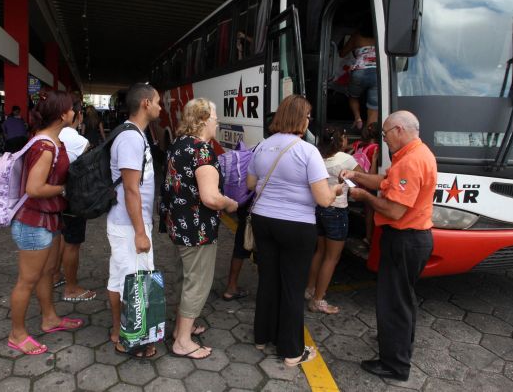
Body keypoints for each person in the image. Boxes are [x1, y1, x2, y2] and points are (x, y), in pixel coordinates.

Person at [247, 95, 343, 367]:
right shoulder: (307, 151)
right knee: (291, 286)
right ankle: (291, 351)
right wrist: (336, 189)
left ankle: (261, 336)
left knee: (268, 280)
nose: (309, 121)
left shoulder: (263, 146)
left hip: (263, 220)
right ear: (301, 119)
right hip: (296, 225)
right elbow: (323, 198)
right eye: (308, 116)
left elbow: (252, 183)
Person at [341, 111, 436, 381]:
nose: (384, 140)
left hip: (405, 239)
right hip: (414, 238)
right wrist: (358, 177)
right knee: (402, 299)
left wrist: (363, 197)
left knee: (393, 302)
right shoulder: (416, 153)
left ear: (399, 129)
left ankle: (394, 365)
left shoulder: (411, 161)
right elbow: (385, 182)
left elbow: (394, 210)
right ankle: (399, 345)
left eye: (385, 134)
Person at [160, 98, 239, 359]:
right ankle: (182, 341)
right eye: (215, 117)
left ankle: (183, 327)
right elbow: (210, 198)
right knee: (198, 283)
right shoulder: (202, 150)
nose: (217, 122)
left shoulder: (178, 144)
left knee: (186, 278)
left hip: (179, 226)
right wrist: (229, 203)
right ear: (204, 119)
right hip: (198, 230)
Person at [7, 90, 83, 356]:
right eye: (71, 109)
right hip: (33, 223)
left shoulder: (51, 140)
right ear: (62, 114)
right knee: (27, 280)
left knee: (48, 272)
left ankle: (49, 318)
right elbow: (35, 188)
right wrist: (64, 189)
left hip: (48, 220)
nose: (75, 112)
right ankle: (17, 334)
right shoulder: (45, 145)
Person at [107, 83, 162, 358]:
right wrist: (141, 232)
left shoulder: (134, 134)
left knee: (121, 277)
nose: (161, 107)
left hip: (126, 223)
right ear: (145, 104)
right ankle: (130, 338)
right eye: (158, 102)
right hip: (130, 225)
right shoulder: (131, 138)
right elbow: (131, 189)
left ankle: (120, 331)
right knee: (134, 280)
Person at [305, 127, 360, 314]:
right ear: (340, 141)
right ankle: (318, 300)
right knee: (332, 257)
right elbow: (362, 176)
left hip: (319, 208)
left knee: (319, 251)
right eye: (344, 137)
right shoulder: (347, 160)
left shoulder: (317, 157)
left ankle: (310, 289)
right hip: (337, 210)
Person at [54, 101, 96, 303]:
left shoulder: (51, 135)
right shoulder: (79, 140)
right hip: (72, 197)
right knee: (73, 243)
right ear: (78, 116)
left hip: (54, 197)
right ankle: (71, 288)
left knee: (62, 236)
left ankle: (55, 275)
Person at [339, 17, 378, 130]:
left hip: (359, 72)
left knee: (353, 96)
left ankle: (358, 118)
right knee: (373, 108)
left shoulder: (357, 36)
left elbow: (342, 53)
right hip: (377, 74)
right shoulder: (382, 35)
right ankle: (369, 137)